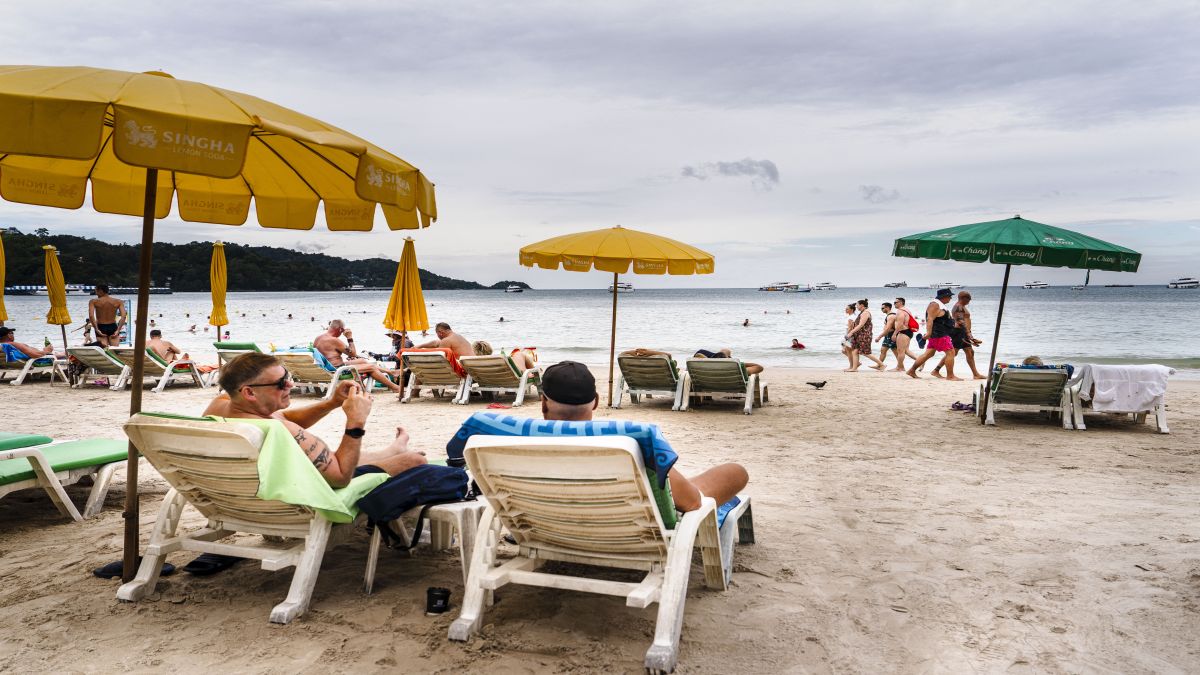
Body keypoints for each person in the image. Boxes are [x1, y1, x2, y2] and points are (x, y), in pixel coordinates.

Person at [539, 361, 748, 511]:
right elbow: (691, 502)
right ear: (595, 401)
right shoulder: (629, 444)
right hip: (624, 532)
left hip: (547, 524)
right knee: (735, 472)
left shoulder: (515, 441)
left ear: (543, 402)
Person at [202, 353, 426, 487]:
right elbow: (340, 477)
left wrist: (331, 403)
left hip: (249, 490)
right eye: (281, 383)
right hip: (303, 494)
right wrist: (356, 422)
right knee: (416, 462)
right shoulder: (282, 430)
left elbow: (282, 415)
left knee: (353, 456)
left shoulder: (221, 405)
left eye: (288, 377)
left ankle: (394, 449)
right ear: (249, 392)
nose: (290, 385)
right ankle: (401, 454)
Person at [314, 320, 405, 393]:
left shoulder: (319, 338)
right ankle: (394, 387)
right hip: (337, 370)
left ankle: (392, 372)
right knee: (371, 367)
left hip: (327, 367)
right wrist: (349, 337)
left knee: (362, 361)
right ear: (341, 330)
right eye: (342, 331)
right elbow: (353, 353)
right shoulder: (334, 340)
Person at [932, 290, 986, 380]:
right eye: (969, 299)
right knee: (953, 353)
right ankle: (936, 370)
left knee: (970, 352)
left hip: (964, 332)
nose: (969, 301)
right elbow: (960, 321)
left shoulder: (961, 307)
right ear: (963, 298)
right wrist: (969, 335)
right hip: (959, 332)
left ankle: (976, 374)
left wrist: (969, 333)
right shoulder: (958, 307)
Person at [906, 289, 959, 380]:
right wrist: (929, 333)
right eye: (949, 296)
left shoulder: (939, 305)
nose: (950, 298)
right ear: (943, 297)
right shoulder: (934, 305)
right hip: (939, 334)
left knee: (928, 354)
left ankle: (911, 370)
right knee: (951, 352)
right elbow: (930, 319)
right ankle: (950, 376)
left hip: (938, 333)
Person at [845, 299, 885, 372]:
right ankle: (854, 368)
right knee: (854, 351)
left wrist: (851, 332)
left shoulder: (866, 312)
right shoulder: (862, 312)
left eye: (857, 305)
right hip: (859, 335)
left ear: (862, 305)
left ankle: (881, 365)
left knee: (865, 353)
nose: (856, 306)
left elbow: (861, 325)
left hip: (864, 335)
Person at [890, 297, 921, 372]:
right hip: (908, 332)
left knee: (900, 351)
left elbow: (900, 324)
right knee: (906, 351)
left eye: (895, 302)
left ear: (901, 302)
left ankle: (899, 367)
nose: (894, 304)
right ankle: (921, 361)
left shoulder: (900, 311)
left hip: (903, 332)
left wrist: (894, 334)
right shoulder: (906, 310)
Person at [692, 347, 763, 375]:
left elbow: (698, 354)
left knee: (725, 351)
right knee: (726, 351)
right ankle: (722, 357)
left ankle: (713, 360)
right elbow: (759, 367)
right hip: (729, 372)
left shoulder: (704, 371)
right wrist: (738, 363)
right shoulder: (737, 370)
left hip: (708, 373)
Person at [874, 301, 900, 367]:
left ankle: (900, 366)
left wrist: (879, 337)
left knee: (896, 352)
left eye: (883, 308)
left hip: (891, 335)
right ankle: (879, 365)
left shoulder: (891, 316)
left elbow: (888, 329)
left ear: (888, 308)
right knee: (883, 350)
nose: (881, 309)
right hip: (887, 336)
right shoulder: (889, 315)